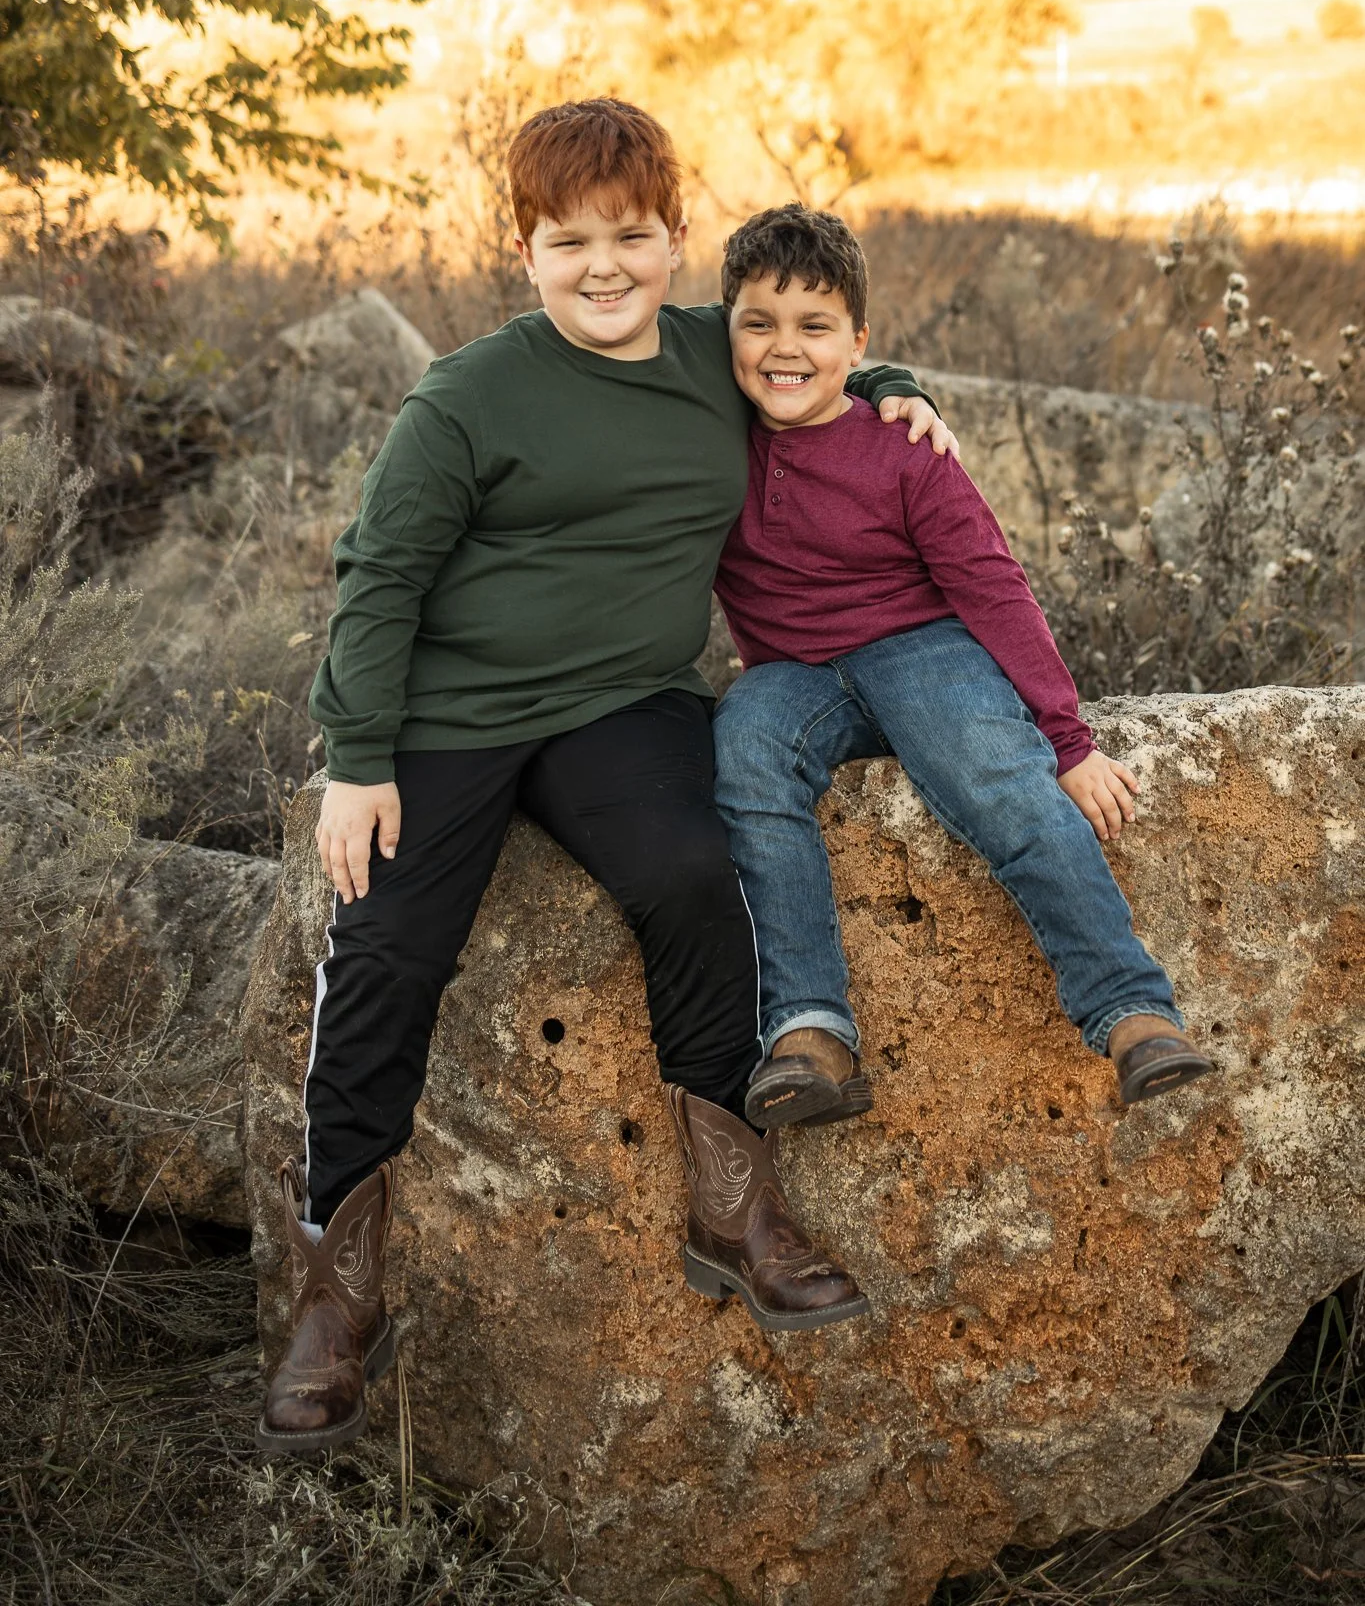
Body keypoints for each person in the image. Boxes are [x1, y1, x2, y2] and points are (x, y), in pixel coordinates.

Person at [257, 101, 960, 1454]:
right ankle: (336, 1288)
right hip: (451, 713)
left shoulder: (711, 355)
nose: (603, 266)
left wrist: (895, 383)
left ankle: (733, 1208)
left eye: (631, 236)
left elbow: (812, 355)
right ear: (524, 248)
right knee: (389, 944)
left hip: (623, 706)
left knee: (696, 873)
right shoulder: (469, 393)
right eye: (569, 240)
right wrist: (357, 757)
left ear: (675, 237)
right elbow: (380, 572)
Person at [709, 203, 1214, 1133]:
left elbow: (993, 587)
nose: (785, 348)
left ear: (857, 342)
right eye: (759, 323)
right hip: (793, 673)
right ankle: (809, 1029)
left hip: (921, 647)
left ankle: (1131, 1009)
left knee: (997, 775)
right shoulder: (707, 436)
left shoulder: (904, 447)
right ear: (724, 329)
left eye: (815, 326)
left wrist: (1067, 740)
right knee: (741, 748)